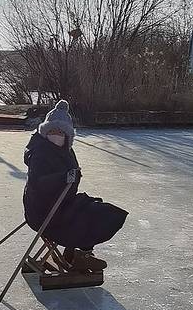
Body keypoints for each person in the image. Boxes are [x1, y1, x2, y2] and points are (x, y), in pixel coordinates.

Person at [23, 100, 127, 271]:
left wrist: (71, 177)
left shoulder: (65, 151)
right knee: (93, 215)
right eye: (52, 131)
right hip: (44, 211)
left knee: (99, 209)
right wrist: (64, 178)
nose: (56, 135)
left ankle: (76, 254)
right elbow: (39, 183)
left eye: (60, 132)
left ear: (67, 135)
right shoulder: (40, 152)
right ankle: (80, 256)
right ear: (45, 131)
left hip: (59, 205)